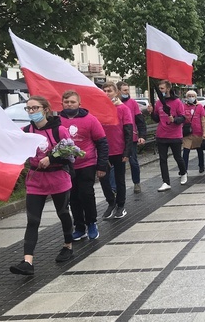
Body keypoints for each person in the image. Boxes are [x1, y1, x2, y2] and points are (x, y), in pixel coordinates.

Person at [10, 96, 75, 275]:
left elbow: (71, 152)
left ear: (45, 109)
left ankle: (68, 245)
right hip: (36, 181)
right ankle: (27, 262)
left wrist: (51, 158)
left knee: (63, 213)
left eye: (35, 108)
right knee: (33, 220)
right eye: (28, 109)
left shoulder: (59, 130)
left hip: (58, 179)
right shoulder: (26, 131)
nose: (31, 112)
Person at [59, 90, 109, 241]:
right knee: (73, 197)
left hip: (87, 163)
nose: (69, 104)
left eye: (72, 102)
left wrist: (101, 166)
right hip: (67, 166)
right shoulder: (57, 121)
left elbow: (102, 143)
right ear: (62, 103)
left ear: (79, 104)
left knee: (86, 194)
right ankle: (80, 227)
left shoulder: (90, 120)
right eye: (66, 102)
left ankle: (92, 223)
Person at [99, 82, 133, 219]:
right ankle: (111, 202)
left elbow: (128, 131)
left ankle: (120, 205)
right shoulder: (99, 108)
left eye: (109, 91)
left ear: (116, 93)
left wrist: (127, 152)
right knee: (103, 179)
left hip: (118, 149)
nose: (106, 93)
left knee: (119, 180)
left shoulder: (123, 109)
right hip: (103, 151)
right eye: (104, 91)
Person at [148, 80, 188, 192]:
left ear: (168, 89)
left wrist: (174, 120)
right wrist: (151, 112)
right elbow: (157, 119)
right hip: (162, 134)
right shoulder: (159, 102)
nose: (160, 91)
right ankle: (166, 182)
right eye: (159, 88)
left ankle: (183, 172)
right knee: (163, 159)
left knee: (177, 157)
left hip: (175, 135)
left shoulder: (177, 102)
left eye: (162, 88)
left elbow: (183, 118)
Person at [117, 81, 147, 193]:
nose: (127, 92)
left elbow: (140, 121)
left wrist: (142, 135)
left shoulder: (132, 103)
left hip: (131, 138)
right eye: (124, 90)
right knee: (119, 164)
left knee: (133, 162)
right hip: (117, 139)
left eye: (128, 90)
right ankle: (118, 186)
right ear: (118, 91)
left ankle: (136, 183)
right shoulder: (114, 103)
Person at [182, 90, 205, 173]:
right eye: (189, 96)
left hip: (198, 133)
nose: (191, 97)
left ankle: (201, 166)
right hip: (187, 133)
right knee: (186, 152)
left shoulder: (199, 107)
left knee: (199, 150)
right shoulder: (183, 107)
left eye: (192, 96)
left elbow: (204, 121)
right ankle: (184, 169)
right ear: (186, 97)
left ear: (196, 97)